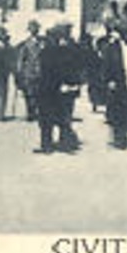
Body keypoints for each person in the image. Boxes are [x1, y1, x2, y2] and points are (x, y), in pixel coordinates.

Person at [34, 22, 84, 154]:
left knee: (52, 118)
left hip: (52, 89)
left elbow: (74, 69)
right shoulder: (56, 51)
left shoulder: (51, 51)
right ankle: (58, 143)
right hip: (55, 89)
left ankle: (49, 144)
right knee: (59, 117)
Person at [100, 20, 127, 149]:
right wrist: (108, 80)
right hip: (118, 85)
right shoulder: (112, 48)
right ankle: (120, 136)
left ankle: (123, 132)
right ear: (122, 34)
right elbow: (106, 66)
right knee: (118, 111)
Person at [14, 20, 44, 123]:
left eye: (36, 29)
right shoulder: (25, 44)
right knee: (29, 93)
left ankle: (36, 112)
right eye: (32, 29)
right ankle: (30, 113)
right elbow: (21, 59)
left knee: (38, 93)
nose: (34, 31)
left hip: (40, 72)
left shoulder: (42, 42)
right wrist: (19, 71)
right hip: (29, 72)